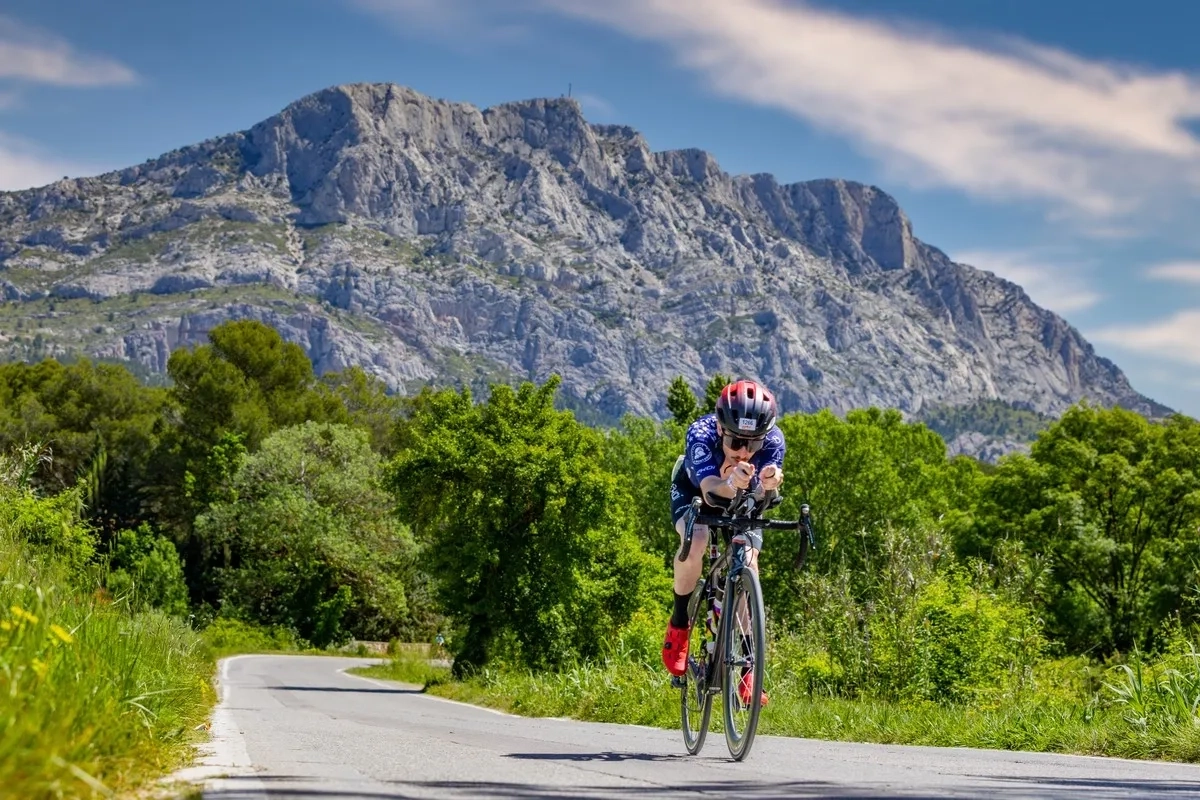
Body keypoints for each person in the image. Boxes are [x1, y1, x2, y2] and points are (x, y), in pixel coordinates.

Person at [662, 379, 784, 707]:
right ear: (720, 429)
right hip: (697, 491)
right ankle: (679, 624)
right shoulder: (701, 434)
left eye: (753, 443)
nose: (743, 451)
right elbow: (711, 490)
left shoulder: (774, 440)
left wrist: (770, 483)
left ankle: (748, 667)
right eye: (734, 441)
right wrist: (732, 481)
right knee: (697, 539)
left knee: (748, 561)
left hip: (742, 497)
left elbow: (767, 491)